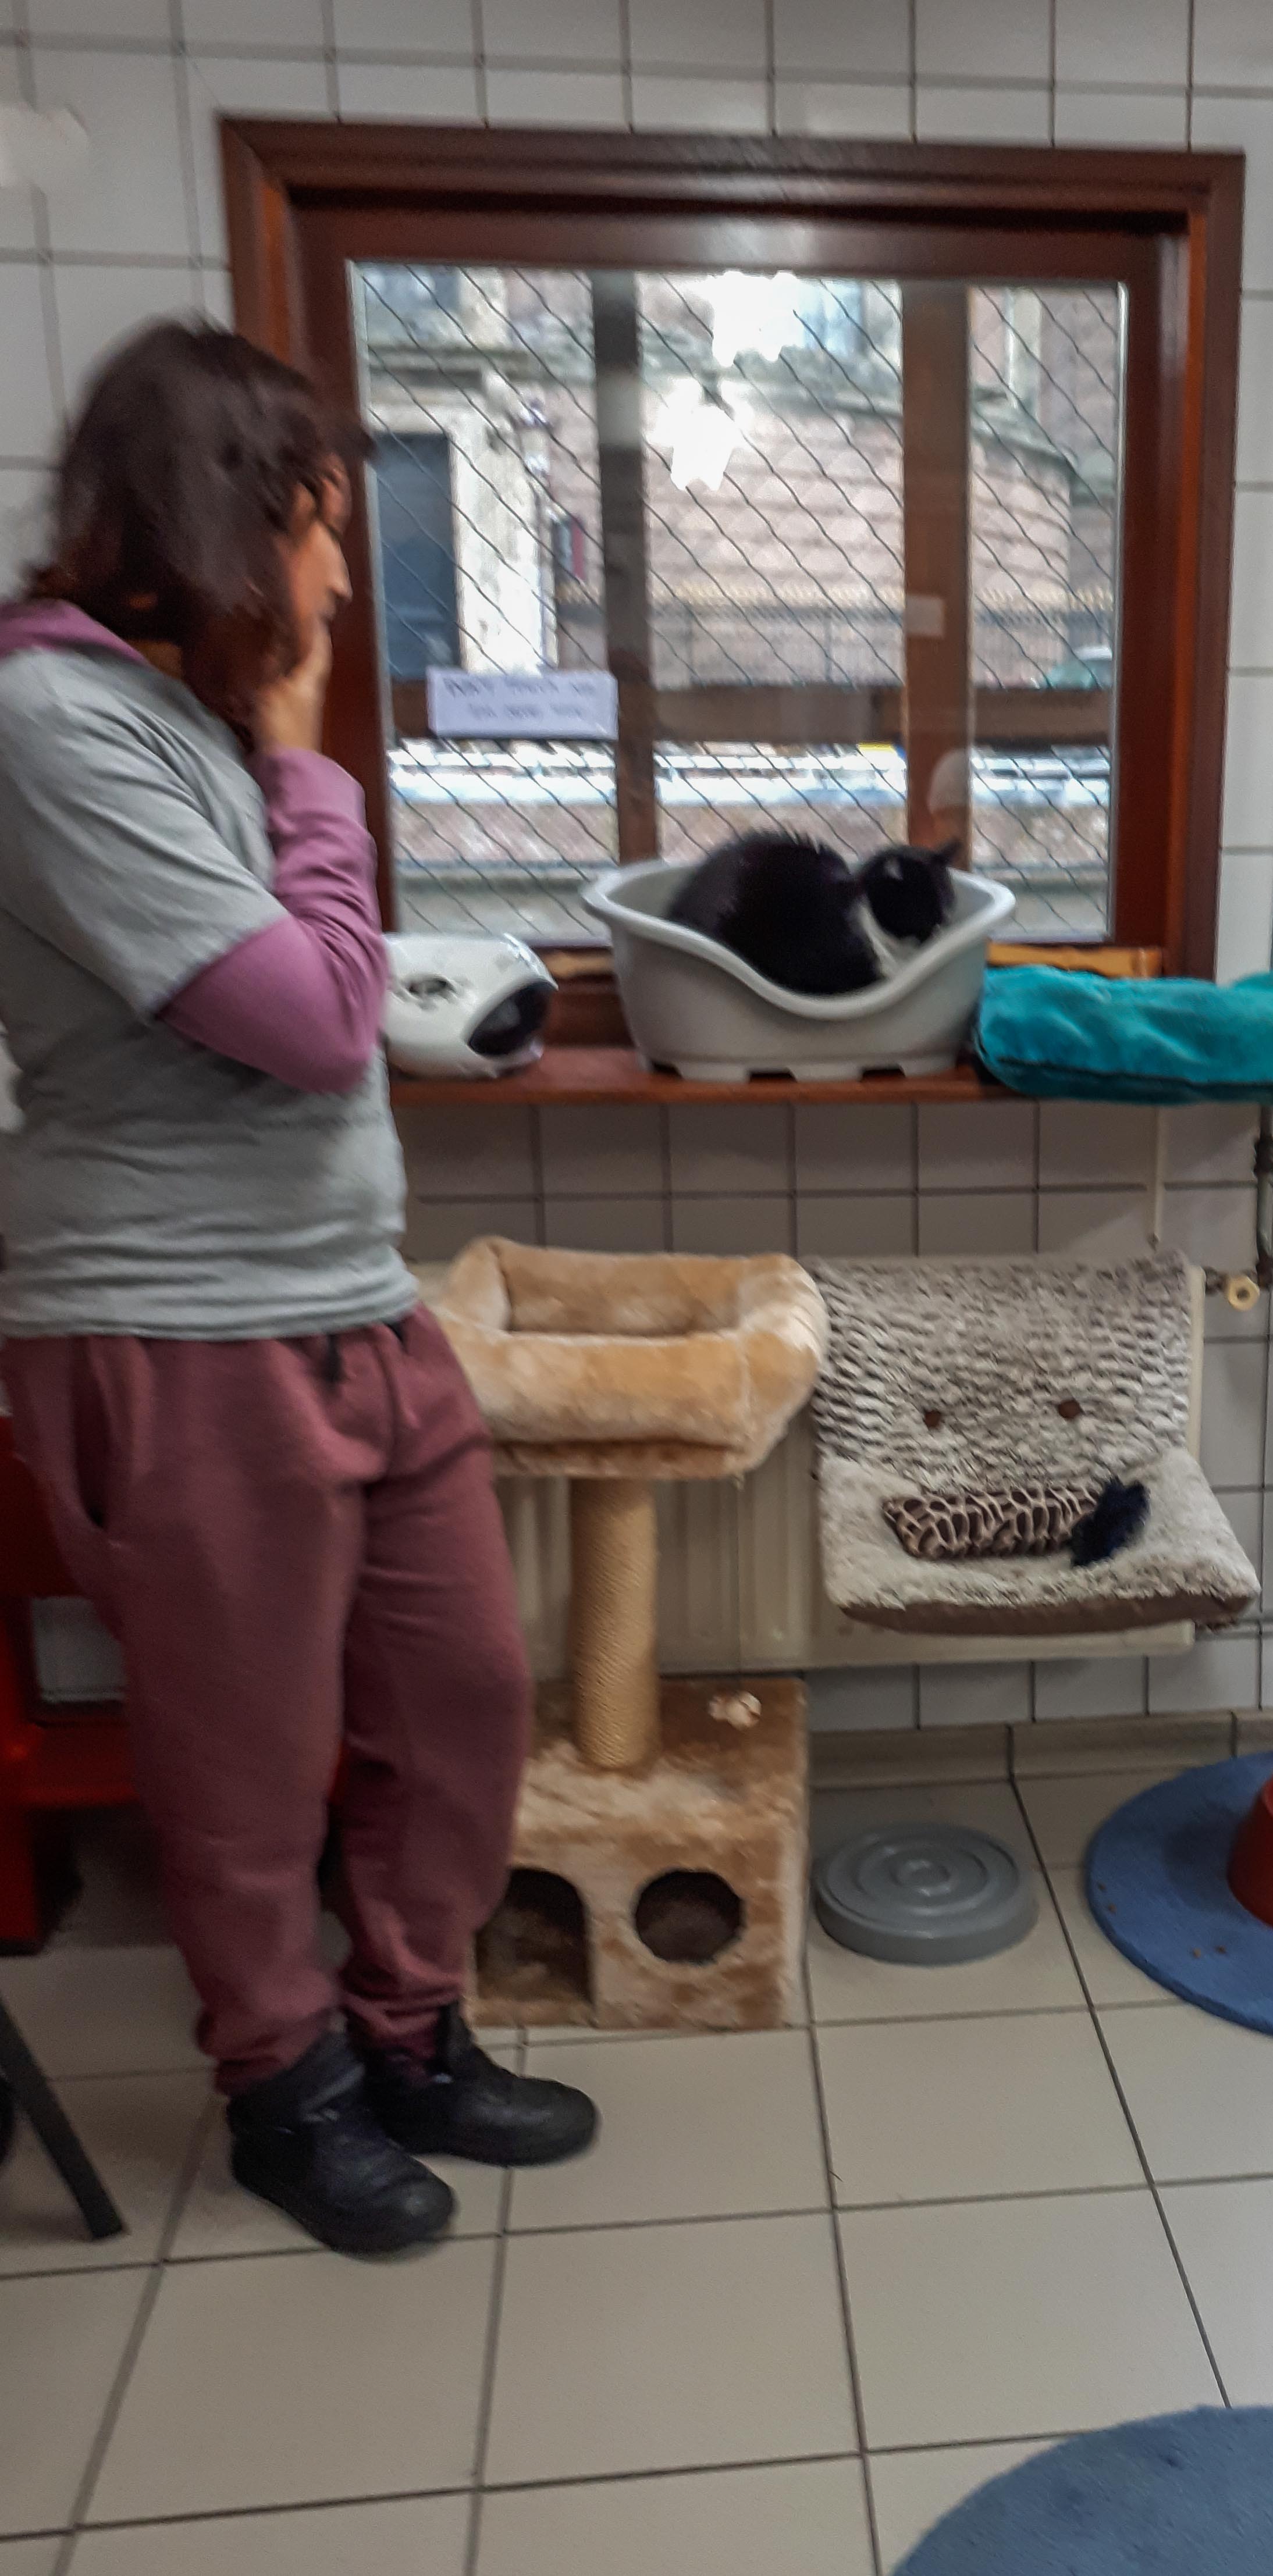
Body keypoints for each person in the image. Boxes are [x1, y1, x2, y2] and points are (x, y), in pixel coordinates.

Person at [0, 321, 596, 2256]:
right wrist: (309, 762)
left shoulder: (181, 726)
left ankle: (407, 2030)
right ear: (236, 520)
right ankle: (285, 2092)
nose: (344, 572)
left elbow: (308, 992)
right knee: (244, 1769)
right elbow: (316, 1016)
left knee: (466, 1694)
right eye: (328, 526)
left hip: (351, 1297)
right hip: (175, 1325)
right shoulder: (55, 720)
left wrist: (273, 759)